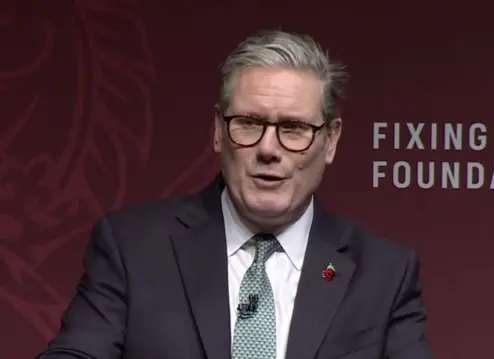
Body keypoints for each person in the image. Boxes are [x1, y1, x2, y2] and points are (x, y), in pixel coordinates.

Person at [37, 29, 433, 359]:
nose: (268, 148)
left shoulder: (383, 274)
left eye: (293, 128)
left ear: (330, 141)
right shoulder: (132, 248)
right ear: (217, 130)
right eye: (249, 123)